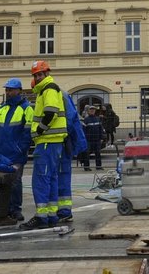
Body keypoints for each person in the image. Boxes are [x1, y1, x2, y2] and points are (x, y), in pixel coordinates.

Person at [20, 60, 68, 230]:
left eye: (40, 74)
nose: (37, 77)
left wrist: (39, 130)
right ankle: (51, 215)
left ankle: (42, 216)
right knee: (51, 178)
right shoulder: (47, 89)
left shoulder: (48, 89)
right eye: (35, 75)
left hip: (47, 141)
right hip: (52, 142)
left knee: (41, 179)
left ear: (46, 73)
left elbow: (50, 112)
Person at [0, 78, 33, 223]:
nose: (8, 92)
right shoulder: (1, 109)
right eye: (7, 90)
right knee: (3, 182)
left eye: (11, 90)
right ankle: (6, 210)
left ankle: (15, 209)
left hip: (16, 154)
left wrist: (21, 149)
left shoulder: (27, 108)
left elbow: (27, 132)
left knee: (15, 182)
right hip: (2, 153)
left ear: (19, 91)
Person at [57, 90, 87, 224]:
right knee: (58, 177)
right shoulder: (59, 94)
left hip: (60, 143)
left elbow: (69, 119)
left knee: (60, 176)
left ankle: (63, 211)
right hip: (60, 142)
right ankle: (62, 211)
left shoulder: (57, 94)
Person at [81, 105, 103, 171]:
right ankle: (86, 167)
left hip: (97, 139)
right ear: (88, 111)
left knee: (98, 153)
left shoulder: (98, 119)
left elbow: (100, 129)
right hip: (88, 140)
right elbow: (83, 130)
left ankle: (98, 166)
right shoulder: (86, 120)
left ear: (95, 111)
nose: (92, 111)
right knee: (87, 154)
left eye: (93, 110)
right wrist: (84, 139)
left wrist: (101, 138)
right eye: (91, 110)